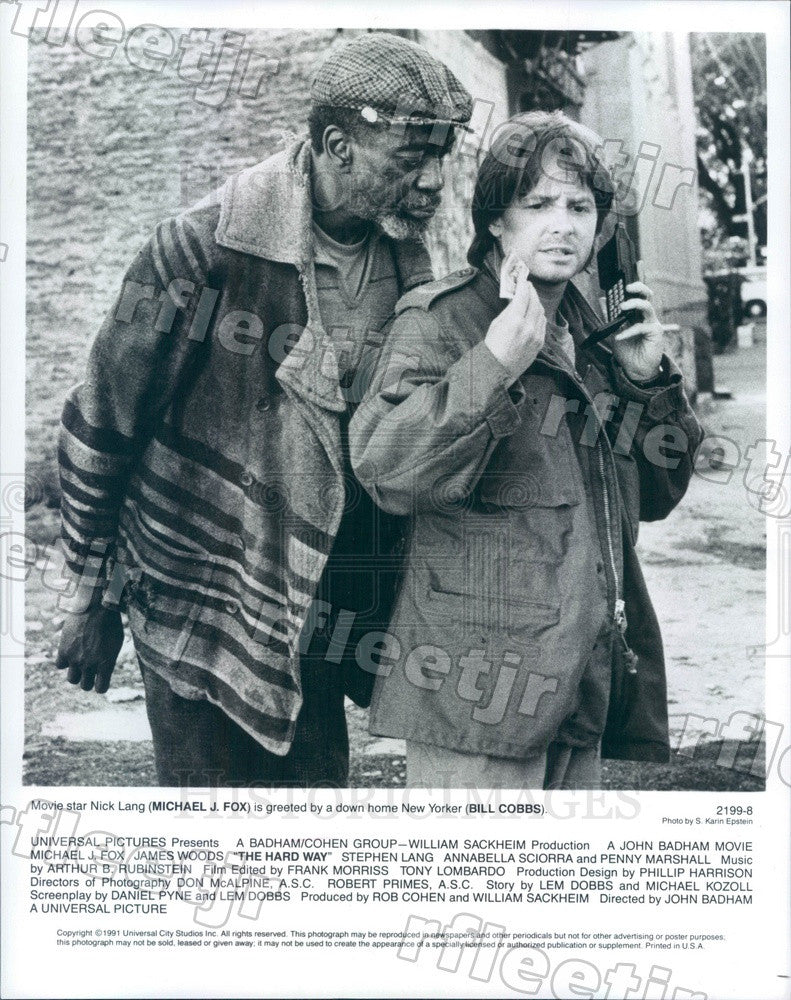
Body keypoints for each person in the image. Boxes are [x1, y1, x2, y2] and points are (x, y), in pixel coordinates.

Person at [54, 32, 472, 787]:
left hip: (313, 597)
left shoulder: (407, 260)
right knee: (213, 837)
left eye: (443, 156)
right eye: (410, 158)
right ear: (338, 145)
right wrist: (91, 599)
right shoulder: (200, 249)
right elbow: (103, 418)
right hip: (194, 591)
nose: (433, 181)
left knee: (306, 822)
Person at [349, 110, 704, 789]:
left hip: (580, 680)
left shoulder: (592, 329)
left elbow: (655, 498)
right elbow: (386, 469)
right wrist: (492, 364)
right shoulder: (441, 320)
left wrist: (646, 383)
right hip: (477, 696)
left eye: (579, 206)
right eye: (537, 204)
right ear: (494, 221)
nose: (563, 224)